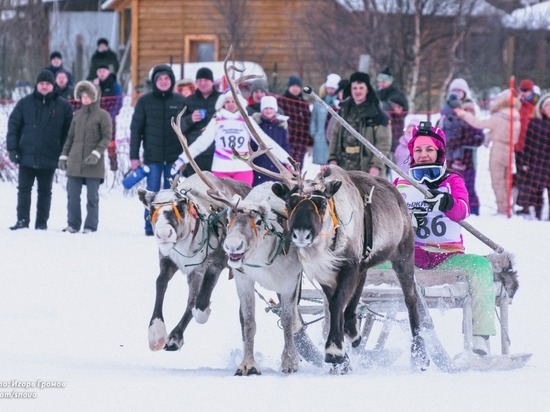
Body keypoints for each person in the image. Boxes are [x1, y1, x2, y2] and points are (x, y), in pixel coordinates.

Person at [394, 121, 496, 356]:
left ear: (439, 152)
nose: (423, 155)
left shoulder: (453, 181)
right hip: (410, 260)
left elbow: (462, 210)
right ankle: (350, 330)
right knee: (363, 264)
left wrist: (446, 202)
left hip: (447, 258)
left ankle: (480, 338)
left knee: (481, 267)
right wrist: (406, 223)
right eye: (418, 150)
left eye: (429, 149)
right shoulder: (400, 183)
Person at [171, 90, 291, 186]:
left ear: (239, 103)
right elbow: (201, 143)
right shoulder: (217, 120)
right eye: (227, 101)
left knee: (242, 206)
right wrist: (182, 159)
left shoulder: (246, 120)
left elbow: (265, 141)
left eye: (234, 101)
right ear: (223, 103)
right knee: (223, 206)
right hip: (221, 168)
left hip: (243, 168)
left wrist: (287, 159)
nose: (231, 104)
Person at [6, 70, 73, 230]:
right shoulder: (24, 103)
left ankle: (41, 223)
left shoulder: (63, 106)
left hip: (50, 155)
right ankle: (22, 221)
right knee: (23, 190)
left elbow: (68, 132)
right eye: (42, 83)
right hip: (26, 155)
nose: (44, 86)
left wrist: (63, 153)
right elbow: (13, 126)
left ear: (53, 85)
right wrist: (12, 149)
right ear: (37, 85)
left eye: (48, 84)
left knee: (45, 192)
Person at [130, 64, 186, 235]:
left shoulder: (180, 101)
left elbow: (188, 127)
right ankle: (150, 226)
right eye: (160, 79)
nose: (163, 81)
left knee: (172, 193)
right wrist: (134, 156)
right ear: (154, 81)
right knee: (152, 193)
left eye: (166, 78)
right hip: (152, 157)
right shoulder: (144, 101)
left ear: (172, 81)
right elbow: (135, 130)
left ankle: (173, 225)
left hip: (173, 156)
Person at [57, 81, 111, 233]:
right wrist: (63, 156)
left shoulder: (103, 115)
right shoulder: (77, 115)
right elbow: (70, 138)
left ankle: (90, 226)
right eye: (82, 96)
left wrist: (96, 153)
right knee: (72, 196)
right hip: (75, 162)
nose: (85, 99)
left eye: (88, 96)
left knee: (92, 198)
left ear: (94, 97)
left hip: (93, 163)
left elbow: (106, 138)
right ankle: (73, 224)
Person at [455, 90, 520, 216]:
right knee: (508, 180)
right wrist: (489, 137)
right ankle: (508, 207)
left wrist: (464, 115)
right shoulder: (516, 115)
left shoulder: (499, 116)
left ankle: (502, 209)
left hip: (498, 148)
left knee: (498, 181)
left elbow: (479, 123)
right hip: (511, 150)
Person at [328, 71, 391, 176]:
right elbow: (334, 136)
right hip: (343, 168)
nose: (358, 91)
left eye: (361, 88)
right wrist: (332, 158)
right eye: (355, 88)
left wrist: (376, 166)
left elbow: (383, 144)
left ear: (367, 90)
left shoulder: (378, 115)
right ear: (350, 90)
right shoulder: (343, 111)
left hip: (367, 170)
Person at [437, 78, 484, 215]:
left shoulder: (468, 109)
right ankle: (453, 208)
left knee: (468, 185)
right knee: (451, 183)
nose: (457, 93)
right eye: (454, 90)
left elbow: (477, 130)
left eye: (460, 90)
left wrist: (464, 139)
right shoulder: (444, 113)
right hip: (450, 155)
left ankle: (474, 211)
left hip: (467, 156)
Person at [177, 67, 221, 176]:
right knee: (195, 186)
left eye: (206, 80)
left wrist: (213, 128)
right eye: (199, 80)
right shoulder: (188, 101)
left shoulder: (222, 99)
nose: (202, 83)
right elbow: (178, 126)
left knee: (217, 186)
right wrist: (190, 119)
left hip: (217, 152)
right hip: (195, 152)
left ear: (212, 82)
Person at [516, 93, 550, 220]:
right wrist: (525, 161)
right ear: (542, 108)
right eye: (548, 106)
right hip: (538, 164)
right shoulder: (535, 123)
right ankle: (537, 215)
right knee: (537, 191)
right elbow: (528, 143)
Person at [250, 95, 291, 186]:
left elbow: (285, 145)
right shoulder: (257, 127)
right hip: (260, 165)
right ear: (262, 110)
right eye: (266, 108)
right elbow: (252, 145)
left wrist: (288, 161)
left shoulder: (281, 128)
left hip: (277, 167)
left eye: (271, 108)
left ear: (275, 110)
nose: (268, 111)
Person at [514, 78, 540, 215]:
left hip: (532, 146)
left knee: (532, 175)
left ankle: (533, 204)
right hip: (519, 146)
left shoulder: (536, 105)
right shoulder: (519, 104)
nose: (523, 93)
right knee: (521, 175)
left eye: (526, 90)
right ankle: (524, 204)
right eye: (522, 90)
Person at [277, 75, 312, 167]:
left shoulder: (304, 104)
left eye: (298, 86)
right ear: (289, 87)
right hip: (285, 141)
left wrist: (310, 142)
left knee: (297, 168)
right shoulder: (281, 100)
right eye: (293, 86)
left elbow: (308, 123)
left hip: (301, 142)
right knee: (285, 166)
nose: (295, 88)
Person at [309, 73, 340, 165]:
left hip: (334, 138)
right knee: (323, 165)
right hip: (321, 138)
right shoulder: (319, 102)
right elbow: (314, 119)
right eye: (329, 87)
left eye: (333, 88)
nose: (330, 90)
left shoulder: (339, 103)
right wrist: (314, 133)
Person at [376, 67, 409, 151]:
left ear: (390, 81)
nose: (382, 83)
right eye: (380, 80)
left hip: (394, 129)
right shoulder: (377, 94)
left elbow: (404, 110)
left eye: (385, 81)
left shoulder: (397, 94)